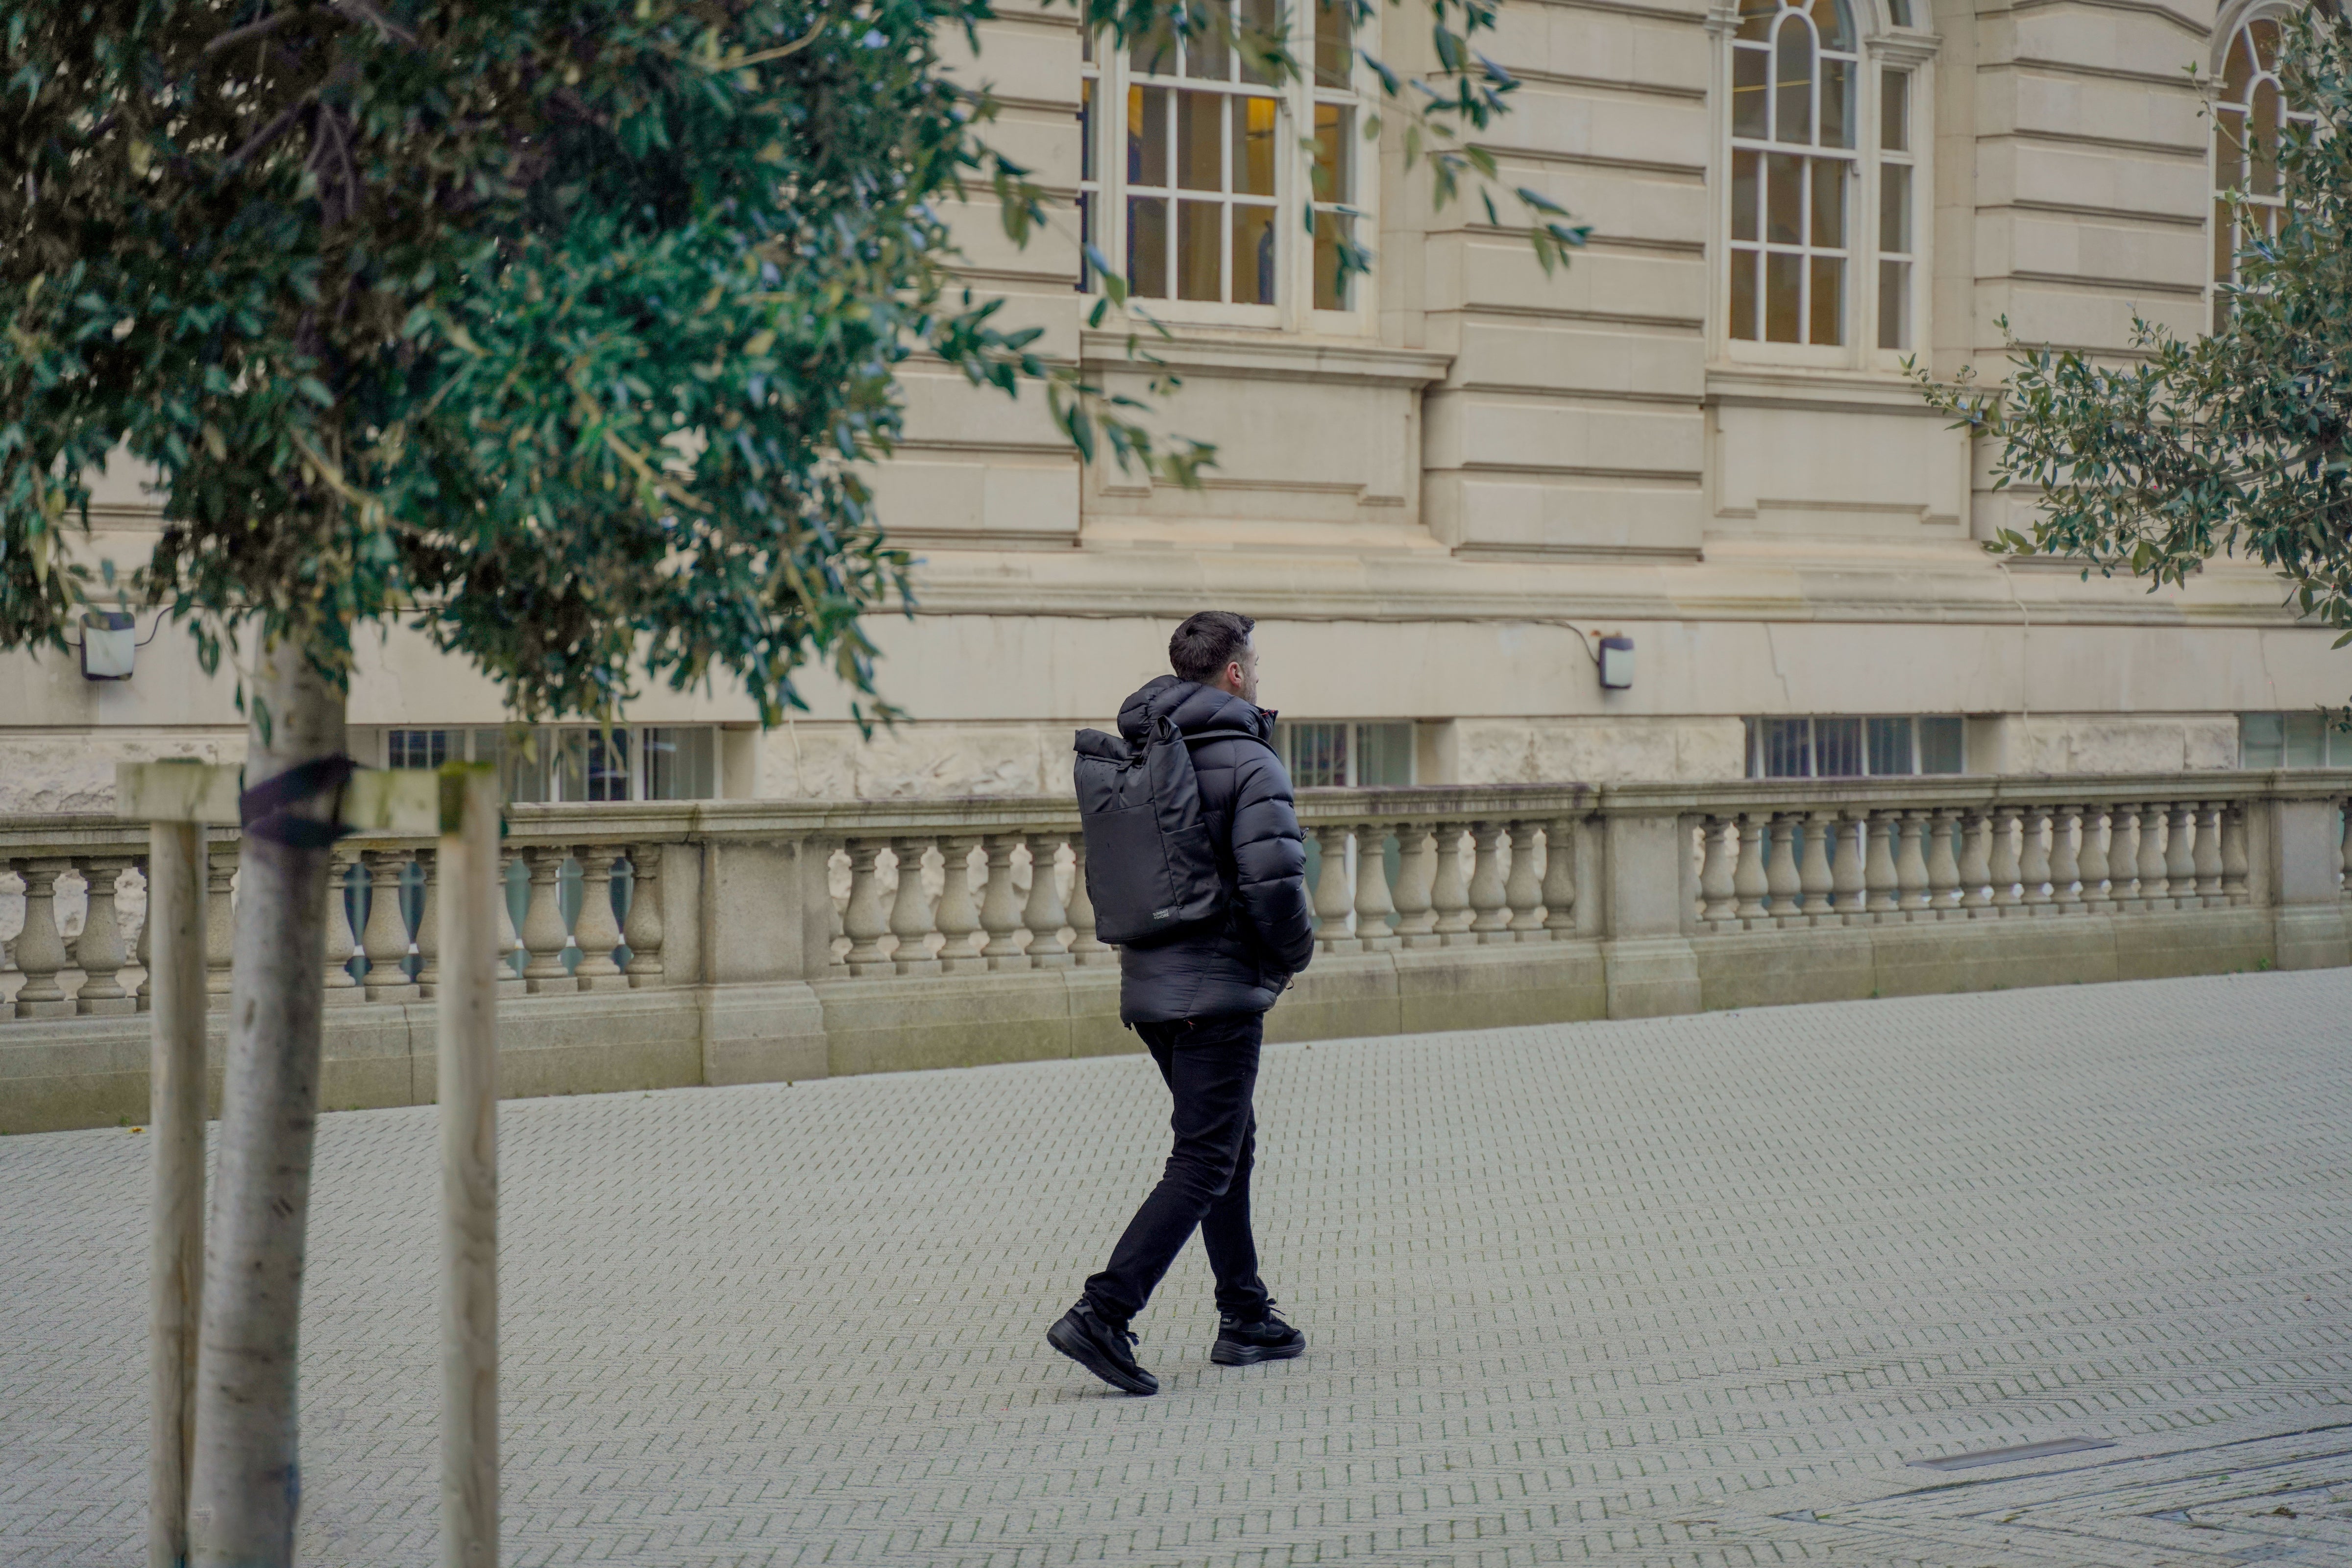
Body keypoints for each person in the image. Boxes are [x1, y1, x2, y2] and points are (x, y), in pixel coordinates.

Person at [1048, 611, 1317, 1396]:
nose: (1258, 674)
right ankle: (1104, 1311)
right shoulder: (1249, 760)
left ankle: (1245, 1314)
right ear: (1234, 673)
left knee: (1228, 1143)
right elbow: (1274, 885)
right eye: (1254, 664)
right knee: (1202, 1160)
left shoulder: (1144, 749)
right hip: (1219, 991)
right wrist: (1295, 954)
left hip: (1152, 989)